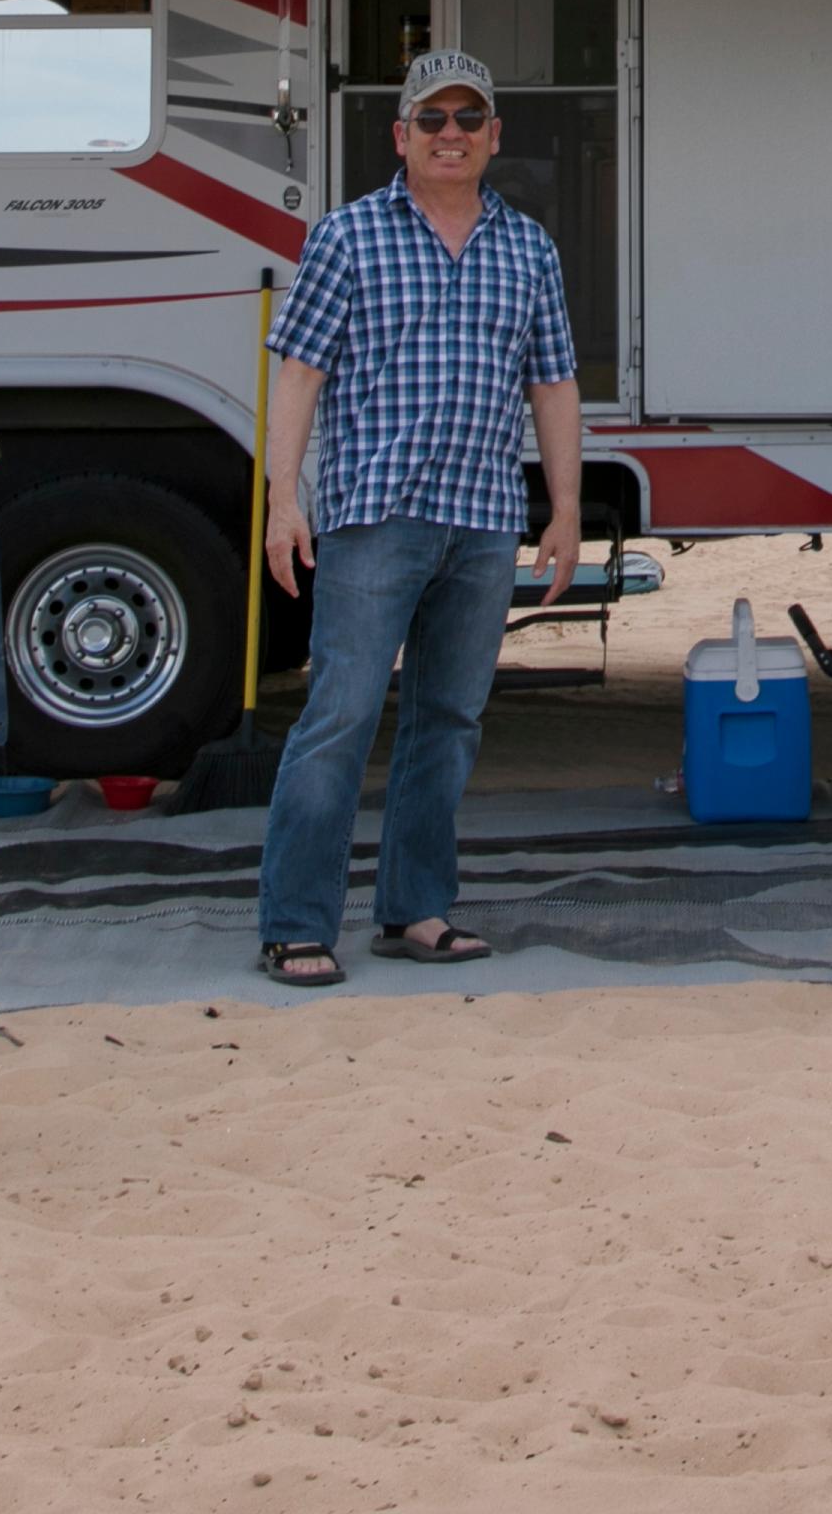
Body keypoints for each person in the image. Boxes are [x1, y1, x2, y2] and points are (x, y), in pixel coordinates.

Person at [253, 48, 583, 986]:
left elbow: (552, 384)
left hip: (482, 519)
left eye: (467, 120)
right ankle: (296, 921)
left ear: (493, 137)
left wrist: (562, 509)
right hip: (373, 516)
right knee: (341, 716)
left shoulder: (528, 247)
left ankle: (415, 910)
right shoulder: (347, 237)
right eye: (431, 120)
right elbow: (300, 373)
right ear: (399, 136)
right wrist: (286, 500)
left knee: (448, 719)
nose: (450, 135)